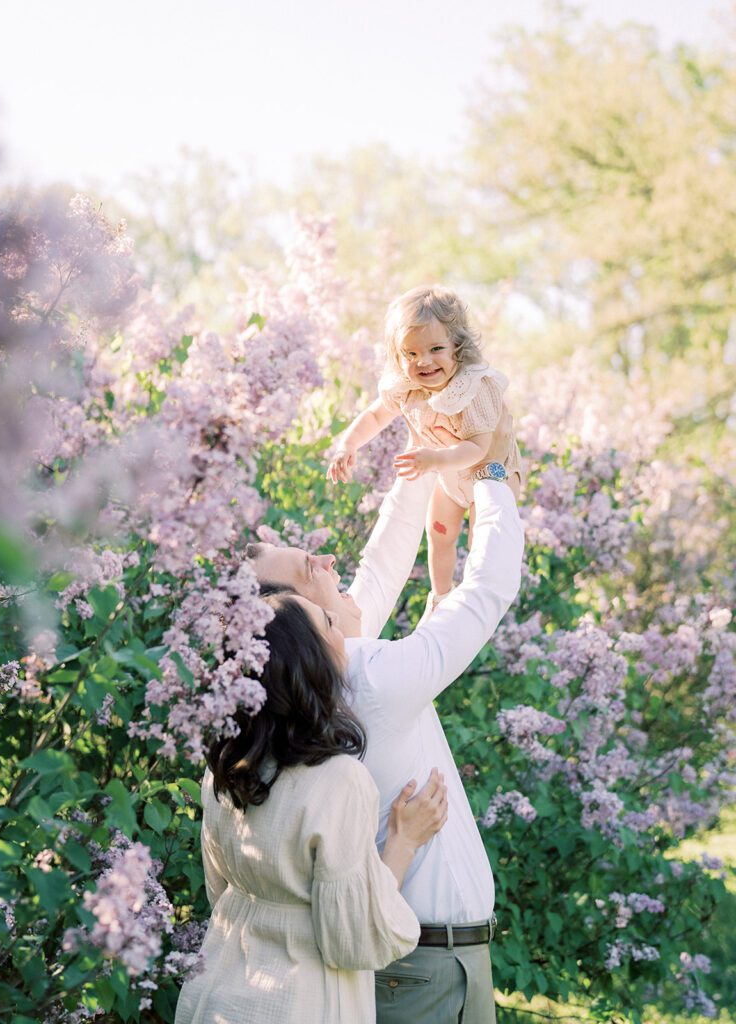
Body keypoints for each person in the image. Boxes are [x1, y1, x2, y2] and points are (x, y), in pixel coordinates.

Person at [248, 408, 524, 1024]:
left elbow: (383, 561)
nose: (326, 562)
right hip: (423, 971)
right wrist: (492, 471)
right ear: (289, 621)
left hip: (420, 966)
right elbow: (490, 589)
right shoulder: (370, 679)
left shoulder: (324, 681)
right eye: (307, 569)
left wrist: (425, 452)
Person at [174, 592, 449, 1024]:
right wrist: (404, 841)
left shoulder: (225, 769)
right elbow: (356, 940)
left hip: (214, 995)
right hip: (298, 1003)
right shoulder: (338, 780)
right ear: (309, 659)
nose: (345, 635)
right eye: (330, 624)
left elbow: (219, 893)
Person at [327, 284, 523, 605]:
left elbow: (477, 447)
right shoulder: (409, 389)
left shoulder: (472, 388)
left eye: (435, 350)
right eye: (412, 353)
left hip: (490, 474)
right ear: (398, 355)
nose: (424, 362)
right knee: (438, 532)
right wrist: (347, 445)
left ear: (456, 347)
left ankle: (474, 598)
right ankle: (441, 596)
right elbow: (375, 417)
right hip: (449, 477)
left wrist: (433, 460)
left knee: (483, 538)